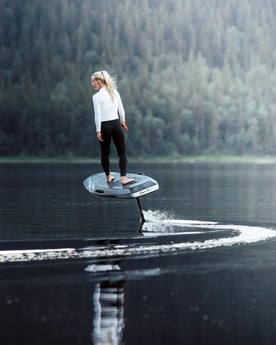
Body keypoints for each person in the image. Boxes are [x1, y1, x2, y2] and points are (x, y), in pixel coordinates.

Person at [91, 70, 134, 185]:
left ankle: (108, 176)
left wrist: (98, 130)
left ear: (99, 82)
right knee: (122, 153)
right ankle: (124, 178)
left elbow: (98, 115)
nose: (92, 84)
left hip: (104, 127)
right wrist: (123, 121)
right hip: (116, 125)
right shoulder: (115, 92)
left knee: (105, 153)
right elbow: (121, 109)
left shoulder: (96, 97)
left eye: (93, 82)